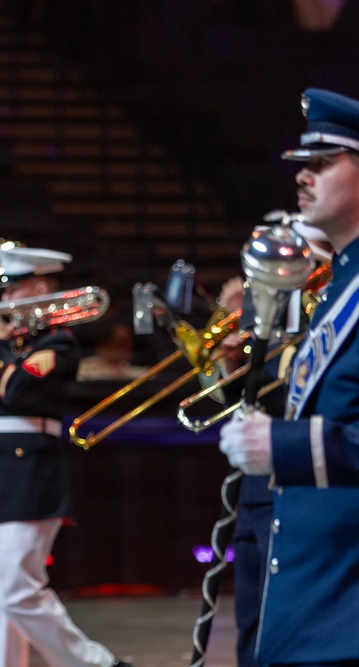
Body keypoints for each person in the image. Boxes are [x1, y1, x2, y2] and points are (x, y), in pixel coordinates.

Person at [218, 87, 359, 667]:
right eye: (303, 163)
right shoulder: (339, 286)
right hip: (313, 593)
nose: (303, 175)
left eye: (323, 162)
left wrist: (282, 444)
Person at [0, 246, 131, 667]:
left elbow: (16, 390)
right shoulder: (20, 343)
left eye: (14, 289)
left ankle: (95, 663)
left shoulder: (59, 342)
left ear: (40, 288)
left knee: (18, 591)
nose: (6, 299)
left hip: (30, 472)